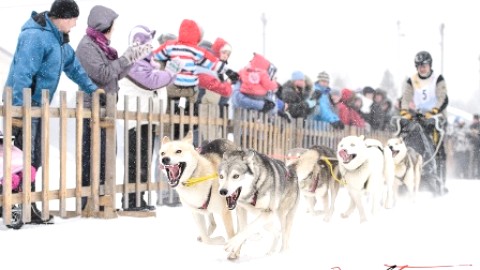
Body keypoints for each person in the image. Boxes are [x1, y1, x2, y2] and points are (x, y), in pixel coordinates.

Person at [3, 0, 99, 224]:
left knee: (34, 158)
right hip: (24, 106)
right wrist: (17, 109)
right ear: (64, 17)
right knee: (20, 158)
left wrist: (93, 90)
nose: (75, 24)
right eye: (74, 19)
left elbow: (74, 67)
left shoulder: (59, 41)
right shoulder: (35, 36)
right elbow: (22, 72)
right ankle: (16, 206)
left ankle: (29, 203)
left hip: (37, 107)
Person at [75, 5, 152, 210]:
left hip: (105, 109)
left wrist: (131, 58)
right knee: (92, 157)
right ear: (104, 25)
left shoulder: (101, 46)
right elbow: (104, 74)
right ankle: (90, 202)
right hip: (91, 109)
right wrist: (125, 58)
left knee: (106, 156)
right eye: (112, 26)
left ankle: (102, 200)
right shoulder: (86, 47)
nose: (113, 30)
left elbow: (115, 74)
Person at [118, 25, 182, 210]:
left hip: (145, 117)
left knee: (144, 159)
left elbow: (158, 80)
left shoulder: (146, 63)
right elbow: (150, 82)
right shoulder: (133, 62)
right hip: (135, 118)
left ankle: (140, 197)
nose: (150, 47)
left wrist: (168, 73)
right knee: (135, 160)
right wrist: (169, 72)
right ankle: (131, 200)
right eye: (147, 43)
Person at [399, 50, 448, 195]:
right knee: (407, 137)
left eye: (424, 65)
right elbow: (406, 98)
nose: (422, 68)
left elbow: (442, 98)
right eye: (419, 65)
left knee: (439, 148)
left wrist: (433, 111)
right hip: (417, 116)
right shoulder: (412, 80)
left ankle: (439, 179)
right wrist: (404, 111)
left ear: (429, 65)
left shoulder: (437, 79)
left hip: (436, 116)